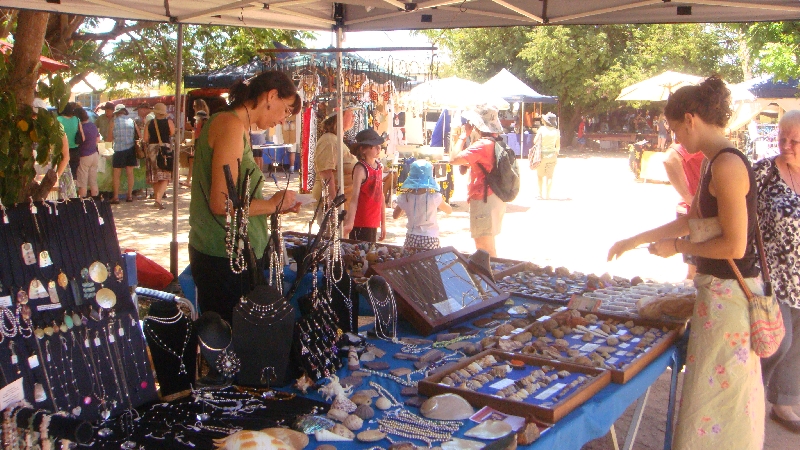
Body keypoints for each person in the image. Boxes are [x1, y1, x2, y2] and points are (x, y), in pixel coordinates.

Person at [608, 76, 764, 448]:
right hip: (718, 298)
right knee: (709, 399)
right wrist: (635, 239)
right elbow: (690, 221)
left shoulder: (727, 165)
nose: (676, 140)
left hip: (731, 302)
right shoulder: (714, 162)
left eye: (676, 130)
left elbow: (735, 245)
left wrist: (677, 247)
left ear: (691, 119)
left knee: (721, 404)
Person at [188, 71, 301, 323]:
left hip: (233, 254)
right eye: (286, 110)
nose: (283, 120)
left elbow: (238, 196)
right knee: (235, 344)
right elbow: (222, 202)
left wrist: (275, 206)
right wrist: (272, 204)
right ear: (271, 96)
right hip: (224, 258)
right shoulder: (229, 125)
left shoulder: (235, 126)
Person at [754, 110, 800, 434]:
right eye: (782, 138)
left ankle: (783, 402)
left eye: (795, 140)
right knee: (777, 341)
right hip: (773, 274)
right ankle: (752, 391)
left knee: (797, 344)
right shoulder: (764, 172)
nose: (786, 145)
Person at [450, 104, 505, 257]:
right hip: (495, 197)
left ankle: (490, 279)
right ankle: (492, 278)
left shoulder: (482, 145)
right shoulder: (496, 141)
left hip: (484, 198)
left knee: (483, 248)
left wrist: (463, 136)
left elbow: (454, 159)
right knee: (489, 245)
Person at [662, 136, 704, 279]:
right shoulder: (698, 140)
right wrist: (690, 199)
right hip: (694, 214)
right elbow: (670, 159)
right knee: (696, 273)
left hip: (698, 213)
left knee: (700, 273)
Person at [392, 160, 452, 251]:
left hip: (411, 237)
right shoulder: (434, 197)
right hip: (430, 237)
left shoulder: (405, 197)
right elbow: (449, 210)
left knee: (411, 263)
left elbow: (395, 216)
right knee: (429, 263)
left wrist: (406, 208)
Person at [343, 129, 386, 242]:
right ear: (363, 150)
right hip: (361, 221)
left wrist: (383, 223)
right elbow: (354, 198)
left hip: (374, 221)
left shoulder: (379, 167)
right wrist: (350, 222)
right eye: (373, 146)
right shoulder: (360, 168)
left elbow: (381, 195)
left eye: (379, 145)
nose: (378, 148)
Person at [312, 107, 358, 208]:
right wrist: (333, 206)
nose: (354, 116)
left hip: (343, 202)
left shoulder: (335, 140)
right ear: (340, 117)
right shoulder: (329, 140)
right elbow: (326, 174)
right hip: (334, 205)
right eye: (350, 112)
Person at [143, 103, 174, 210]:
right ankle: (158, 199)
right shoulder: (169, 122)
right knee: (165, 175)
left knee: (155, 176)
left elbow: (145, 138)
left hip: (152, 150)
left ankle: (158, 197)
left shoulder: (149, 123)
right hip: (165, 149)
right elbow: (172, 133)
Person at [109, 104, 137, 204]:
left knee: (117, 174)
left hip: (118, 150)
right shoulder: (131, 121)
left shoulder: (114, 122)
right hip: (131, 149)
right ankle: (129, 195)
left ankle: (115, 197)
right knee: (130, 173)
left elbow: (109, 138)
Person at [534, 112, 561, 200]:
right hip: (552, 155)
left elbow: (535, 141)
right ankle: (548, 195)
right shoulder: (556, 131)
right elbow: (558, 145)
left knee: (540, 176)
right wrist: (556, 152)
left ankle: (540, 194)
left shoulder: (541, 129)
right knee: (550, 176)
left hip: (542, 155)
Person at [74, 107, 100, 197]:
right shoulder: (93, 125)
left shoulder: (81, 128)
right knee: (93, 180)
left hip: (84, 155)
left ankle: (82, 202)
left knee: (82, 181)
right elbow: (97, 139)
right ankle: (96, 200)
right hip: (94, 154)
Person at [183, 109, 208, 187]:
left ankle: (190, 180)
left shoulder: (201, 125)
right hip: (200, 145)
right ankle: (190, 180)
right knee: (193, 162)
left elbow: (197, 135)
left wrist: (191, 128)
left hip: (199, 145)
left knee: (192, 162)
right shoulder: (204, 124)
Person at [57, 102, 80, 179]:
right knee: (73, 174)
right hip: (75, 150)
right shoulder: (76, 119)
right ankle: (73, 189)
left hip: (62, 151)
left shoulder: (58, 120)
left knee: (63, 174)